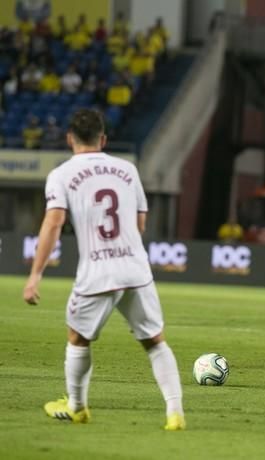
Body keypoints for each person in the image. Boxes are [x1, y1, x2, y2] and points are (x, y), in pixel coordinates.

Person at [22, 109, 185, 429]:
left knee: (78, 338)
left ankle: (77, 407)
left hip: (97, 270)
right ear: (104, 139)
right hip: (136, 268)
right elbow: (140, 222)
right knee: (155, 341)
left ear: (70, 139)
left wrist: (35, 275)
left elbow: (53, 223)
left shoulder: (61, 175)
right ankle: (175, 413)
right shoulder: (128, 169)